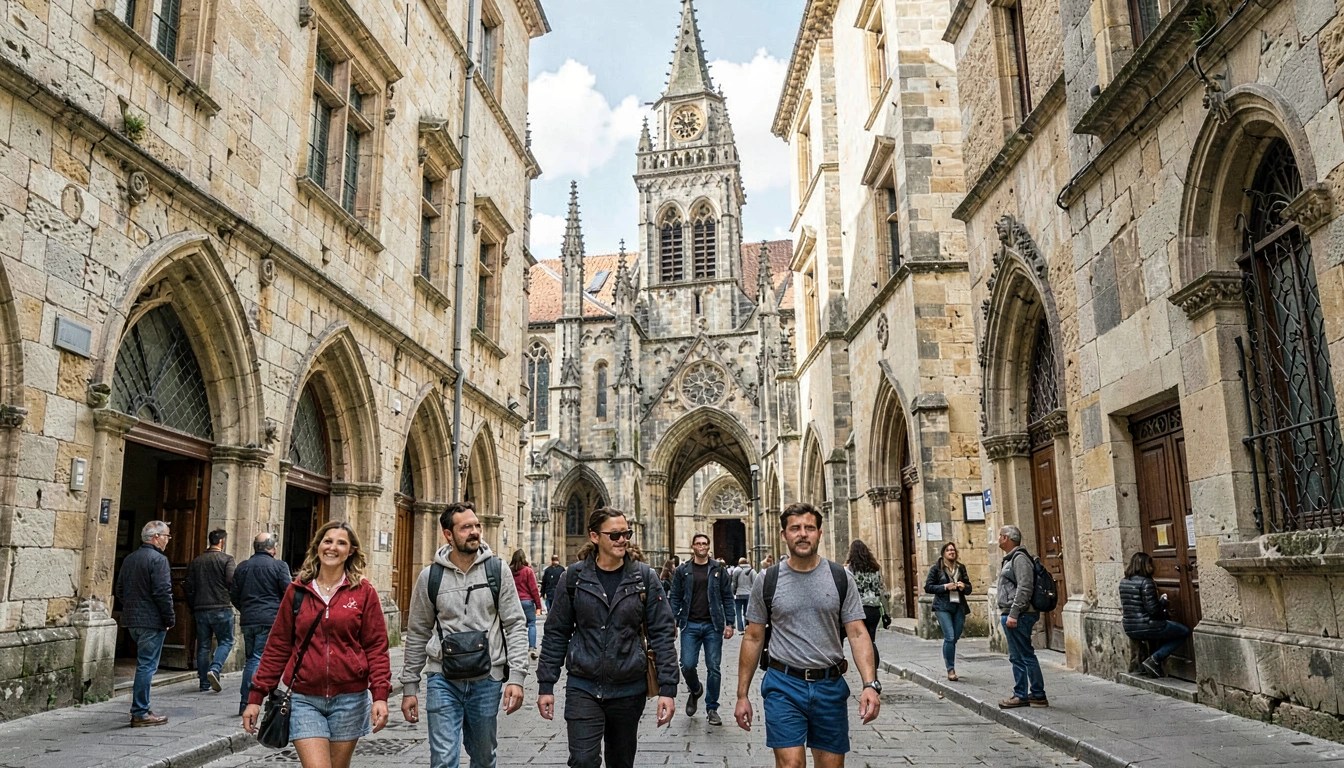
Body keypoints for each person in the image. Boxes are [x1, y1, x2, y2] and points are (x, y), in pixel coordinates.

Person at [735, 503, 881, 767]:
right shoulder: (767, 580)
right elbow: (753, 637)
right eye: (795, 528)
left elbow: (858, 633)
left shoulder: (841, 578)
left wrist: (870, 684)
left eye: (809, 528)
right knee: (791, 764)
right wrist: (742, 695)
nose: (802, 534)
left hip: (829, 685)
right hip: (783, 685)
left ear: (819, 533)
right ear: (784, 535)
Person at [537, 507, 678, 768]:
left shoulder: (644, 577)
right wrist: (546, 684)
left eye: (626, 534)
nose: (622, 540)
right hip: (583, 685)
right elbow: (556, 632)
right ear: (594, 536)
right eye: (614, 535)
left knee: (621, 762)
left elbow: (662, 633)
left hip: (628, 687)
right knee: (582, 760)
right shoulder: (574, 578)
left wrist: (667, 689)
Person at [242, 522, 392, 768]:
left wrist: (380, 695)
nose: (332, 547)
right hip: (304, 698)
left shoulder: (363, 592)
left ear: (351, 551)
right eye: (327, 541)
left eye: (341, 543)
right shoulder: (298, 590)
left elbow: (376, 647)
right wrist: (255, 697)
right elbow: (278, 646)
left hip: (349, 699)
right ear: (318, 546)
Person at [400, 502, 529, 768]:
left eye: (477, 525)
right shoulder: (430, 577)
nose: (474, 532)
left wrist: (517, 677)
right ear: (448, 534)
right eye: (466, 527)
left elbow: (515, 624)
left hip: (487, 678)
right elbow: (417, 632)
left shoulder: (497, 570)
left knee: (484, 757)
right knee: (443, 759)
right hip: (443, 679)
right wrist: (410, 686)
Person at [669, 533, 735, 725]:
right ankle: (696, 689)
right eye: (698, 543)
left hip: (713, 625)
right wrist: (672, 620)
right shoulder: (683, 571)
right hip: (689, 624)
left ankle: (712, 708)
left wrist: (730, 623)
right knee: (687, 664)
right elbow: (675, 596)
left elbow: (727, 596)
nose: (702, 546)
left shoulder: (718, 569)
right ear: (692, 546)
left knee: (714, 668)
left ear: (709, 546)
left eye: (705, 543)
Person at [116, 520, 176, 727]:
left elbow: (120, 590)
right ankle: (140, 711)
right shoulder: (158, 560)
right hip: (152, 620)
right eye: (167, 536)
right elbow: (163, 592)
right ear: (156, 537)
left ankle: (141, 708)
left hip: (133, 620)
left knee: (144, 664)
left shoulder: (130, 559)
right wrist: (169, 618)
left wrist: (132, 606)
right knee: (147, 666)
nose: (168, 540)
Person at [230, 532, 292, 715]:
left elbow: (234, 594)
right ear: (272, 548)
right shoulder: (279, 566)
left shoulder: (242, 567)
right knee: (263, 658)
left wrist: (245, 609)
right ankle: (251, 700)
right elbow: (289, 592)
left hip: (249, 619)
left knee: (252, 659)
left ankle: (249, 700)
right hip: (270, 619)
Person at [996, 525, 1047, 708]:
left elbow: (1025, 587)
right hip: (1013, 613)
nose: (998, 539)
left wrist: (1014, 613)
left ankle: (1026, 694)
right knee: (1019, 656)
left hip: (1019, 614)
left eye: (1000, 536)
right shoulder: (1012, 558)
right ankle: (1033, 693)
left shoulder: (1020, 559)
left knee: (1023, 655)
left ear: (1007, 538)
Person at [1120, 552, 1191, 678]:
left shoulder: (1124, 582)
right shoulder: (1146, 582)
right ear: (1145, 565)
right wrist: (1163, 602)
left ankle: (1145, 664)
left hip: (1130, 627)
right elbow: (1153, 610)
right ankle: (1155, 659)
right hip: (1147, 625)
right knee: (1183, 631)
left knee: (1165, 631)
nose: (1152, 567)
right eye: (1150, 564)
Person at [184, 528, 236, 694]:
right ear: (222, 541)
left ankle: (204, 683)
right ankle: (215, 668)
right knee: (226, 641)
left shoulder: (197, 561)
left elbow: (188, 586)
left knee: (203, 646)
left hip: (201, 608)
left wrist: (193, 606)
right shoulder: (227, 559)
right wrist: (233, 598)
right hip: (221, 606)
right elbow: (231, 581)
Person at [924, 541, 971, 681]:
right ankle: (951, 669)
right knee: (949, 637)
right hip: (942, 606)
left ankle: (949, 655)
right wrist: (945, 587)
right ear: (943, 553)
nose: (951, 552)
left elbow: (969, 588)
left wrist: (964, 586)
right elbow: (928, 587)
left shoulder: (960, 568)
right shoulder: (936, 568)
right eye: (948, 550)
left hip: (959, 606)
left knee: (954, 637)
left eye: (953, 550)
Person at [846, 540, 883, 669]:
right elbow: (880, 587)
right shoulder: (876, 568)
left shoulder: (849, 570)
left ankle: (868, 670)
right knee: (871, 640)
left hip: (860, 609)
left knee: (863, 641)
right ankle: (874, 670)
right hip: (875, 608)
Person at [510, 549, 544, 659]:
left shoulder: (509, 571)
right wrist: (538, 606)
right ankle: (532, 648)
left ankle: (516, 648)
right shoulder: (528, 571)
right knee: (531, 624)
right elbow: (534, 589)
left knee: (516, 626)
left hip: (514, 602)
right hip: (527, 601)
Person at [732, 558, 755, 633]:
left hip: (739, 593)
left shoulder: (736, 570)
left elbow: (734, 583)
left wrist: (733, 592)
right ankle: (747, 625)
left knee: (738, 611)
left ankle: (740, 627)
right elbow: (755, 582)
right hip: (749, 593)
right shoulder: (752, 570)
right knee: (747, 611)